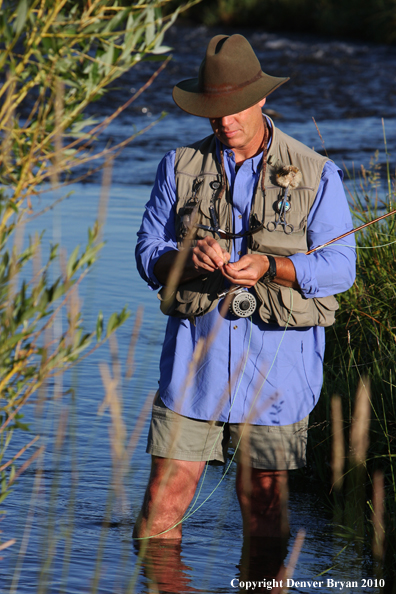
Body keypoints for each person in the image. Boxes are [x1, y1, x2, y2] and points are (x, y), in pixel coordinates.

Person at [134, 34, 356, 542]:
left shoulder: (318, 175)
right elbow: (148, 252)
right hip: (194, 372)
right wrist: (184, 259)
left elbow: (342, 267)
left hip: (278, 378)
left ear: (261, 98)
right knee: (159, 512)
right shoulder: (176, 166)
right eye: (213, 109)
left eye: (235, 108)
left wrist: (271, 268)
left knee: (265, 519)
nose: (224, 120)